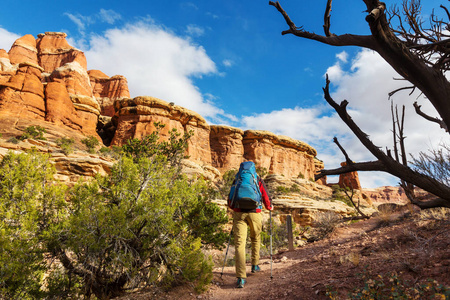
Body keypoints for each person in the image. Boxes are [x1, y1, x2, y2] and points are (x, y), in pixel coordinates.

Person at [227, 161, 273, 288]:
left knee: (239, 244)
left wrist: (232, 207)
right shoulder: (257, 178)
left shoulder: (238, 178)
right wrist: (269, 206)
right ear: (253, 169)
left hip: (239, 213)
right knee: (255, 238)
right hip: (255, 213)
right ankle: (254, 265)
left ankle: (241, 277)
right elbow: (264, 194)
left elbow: (231, 196)